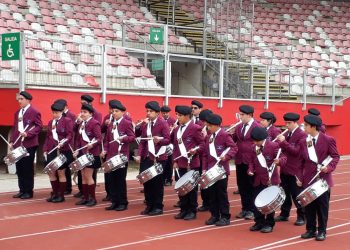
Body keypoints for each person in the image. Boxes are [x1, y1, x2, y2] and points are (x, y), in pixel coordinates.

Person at [299, 114, 339, 241]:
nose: (303, 127)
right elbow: (301, 161)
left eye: (305, 125)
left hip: (322, 179)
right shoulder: (303, 141)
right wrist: (299, 177)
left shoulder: (328, 139)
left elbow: (335, 156)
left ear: (313, 126)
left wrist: (328, 168)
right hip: (308, 179)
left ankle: (322, 231)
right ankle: (310, 229)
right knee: (309, 206)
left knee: (322, 207)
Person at [135, 101, 170, 216]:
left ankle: (158, 206)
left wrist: (160, 140)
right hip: (147, 156)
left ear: (157, 113)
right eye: (147, 111)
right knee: (146, 181)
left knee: (157, 183)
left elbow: (168, 140)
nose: (148, 113)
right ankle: (149, 205)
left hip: (159, 157)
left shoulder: (163, 123)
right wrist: (140, 154)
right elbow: (142, 142)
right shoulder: (146, 125)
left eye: (151, 111)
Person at [248, 127, 285, 233]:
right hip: (258, 179)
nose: (255, 143)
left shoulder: (273, 146)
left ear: (263, 138)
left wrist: (279, 161)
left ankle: (269, 224)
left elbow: (283, 158)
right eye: (254, 141)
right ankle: (258, 222)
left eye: (257, 141)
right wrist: (250, 170)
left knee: (269, 203)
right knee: (256, 201)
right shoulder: (253, 147)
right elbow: (251, 161)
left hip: (270, 179)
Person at [202, 113, 237, 226]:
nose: (208, 128)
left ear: (216, 125)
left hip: (221, 170)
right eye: (208, 126)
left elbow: (234, 147)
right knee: (212, 194)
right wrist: (204, 169)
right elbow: (205, 155)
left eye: (210, 126)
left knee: (221, 194)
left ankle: (225, 216)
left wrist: (226, 157)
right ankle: (214, 215)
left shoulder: (224, 135)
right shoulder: (209, 137)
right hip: (210, 170)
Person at [172, 105, 205, 220]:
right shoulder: (176, 129)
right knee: (181, 187)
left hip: (192, 163)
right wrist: (175, 160)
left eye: (179, 115)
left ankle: (192, 210)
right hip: (180, 163)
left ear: (187, 116)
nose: (177, 117)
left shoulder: (195, 128)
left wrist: (194, 150)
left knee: (191, 188)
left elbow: (202, 145)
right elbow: (175, 147)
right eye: (176, 115)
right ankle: (183, 209)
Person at [102, 100, 135, 211]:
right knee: (112, 180)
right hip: (111, 156)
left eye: (117, 111)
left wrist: (124, 138)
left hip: (121, 156)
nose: (114, 113)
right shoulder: (111, 125)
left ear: (122, 112)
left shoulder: (126, 123)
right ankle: (114, 201)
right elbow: (107, 140)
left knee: (120, 180)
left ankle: (123, 202)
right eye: (113, 111)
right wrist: (105, 150)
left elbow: (132, 137)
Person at [275, 113, 306, 226]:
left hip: (295, 169)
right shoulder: (287, 133)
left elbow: (296, 152)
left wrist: (283, 142)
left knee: (296, 194)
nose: (286, 125)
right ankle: (284, 213)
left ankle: (302, 216)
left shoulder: (302, 135)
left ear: (295, 123)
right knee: (284, 193)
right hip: (284, 168)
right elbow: (284, 150)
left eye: (289, 123)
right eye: (286, 123)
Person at [10, 91, 42, 199]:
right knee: (19, 167)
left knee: (27, 168)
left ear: (28, 100)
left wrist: (28, 134)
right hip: (18, 144)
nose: (19, 101)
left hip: (29, 144)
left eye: (21, 99)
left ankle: (28, 191)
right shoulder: (17, 113)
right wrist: (11, 141)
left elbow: (39, 127)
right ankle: (22, 189)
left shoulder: (34, 112)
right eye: (18, 99)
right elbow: (15, 128)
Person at [231, 105, 260, 220]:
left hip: (251, 161)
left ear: (250, 115)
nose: (240, 117)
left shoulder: (257, 126)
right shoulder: (239, 127)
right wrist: (231, 134)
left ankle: (252, 209)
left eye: (242, 115)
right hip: (239, 160)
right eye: (240, 114)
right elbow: (235, 140)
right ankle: (245, 208)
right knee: (242, 186)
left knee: (251, 186)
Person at [43, 102, 74, 203]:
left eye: (57, 112)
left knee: (61, 172)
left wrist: (63, 142)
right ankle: (55, 193)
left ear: (61, 112)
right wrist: (45, 149)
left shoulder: (67, 120)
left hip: (64, 150)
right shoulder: (50, 122)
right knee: (51, 171)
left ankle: (61, 195)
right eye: (53, 112)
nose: (55, 114)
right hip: (52, 149)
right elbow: (48, 137)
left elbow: (70, 135)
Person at [74, 103, 102, 207]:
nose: (82, 114)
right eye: (82, 112)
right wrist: (77, 150)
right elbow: (79, 139)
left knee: (88, 176)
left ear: (91, 113)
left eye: (85, 112)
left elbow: (99, 139)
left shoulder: (95, 123)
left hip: (91, 154)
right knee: (83, 176)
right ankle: (85, 198)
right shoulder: (82, 124)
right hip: (82, 153)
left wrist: (92, 144)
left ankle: (92, 198)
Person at [53, 98, 75, 195]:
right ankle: (61, 187)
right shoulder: (54, 120)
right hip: (59, 147)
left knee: (66, 168)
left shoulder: (70, 116)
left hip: (68, 146)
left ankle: (67, 187)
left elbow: (72, 132)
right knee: (60, 169)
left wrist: (65, 142)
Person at [197, 109, 213, 212]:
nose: (204, 123)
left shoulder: (212, 129)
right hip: (202, 158)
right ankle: (205, 202)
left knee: (210, 182)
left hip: (211, 159)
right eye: (203, 121)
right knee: (203, 181)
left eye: (206, 121)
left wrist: (205, 136)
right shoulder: (201, 128)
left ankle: (211, 203)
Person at [160, 105, 176, 186]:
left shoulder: (173, 120)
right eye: (163, 113)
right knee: (163, 162)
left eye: (166, 113)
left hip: (170, 144)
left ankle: (169, 179)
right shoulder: (160, 121)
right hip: (162, 143)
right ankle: (162, 179)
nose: (165, 114)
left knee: (169, 162)